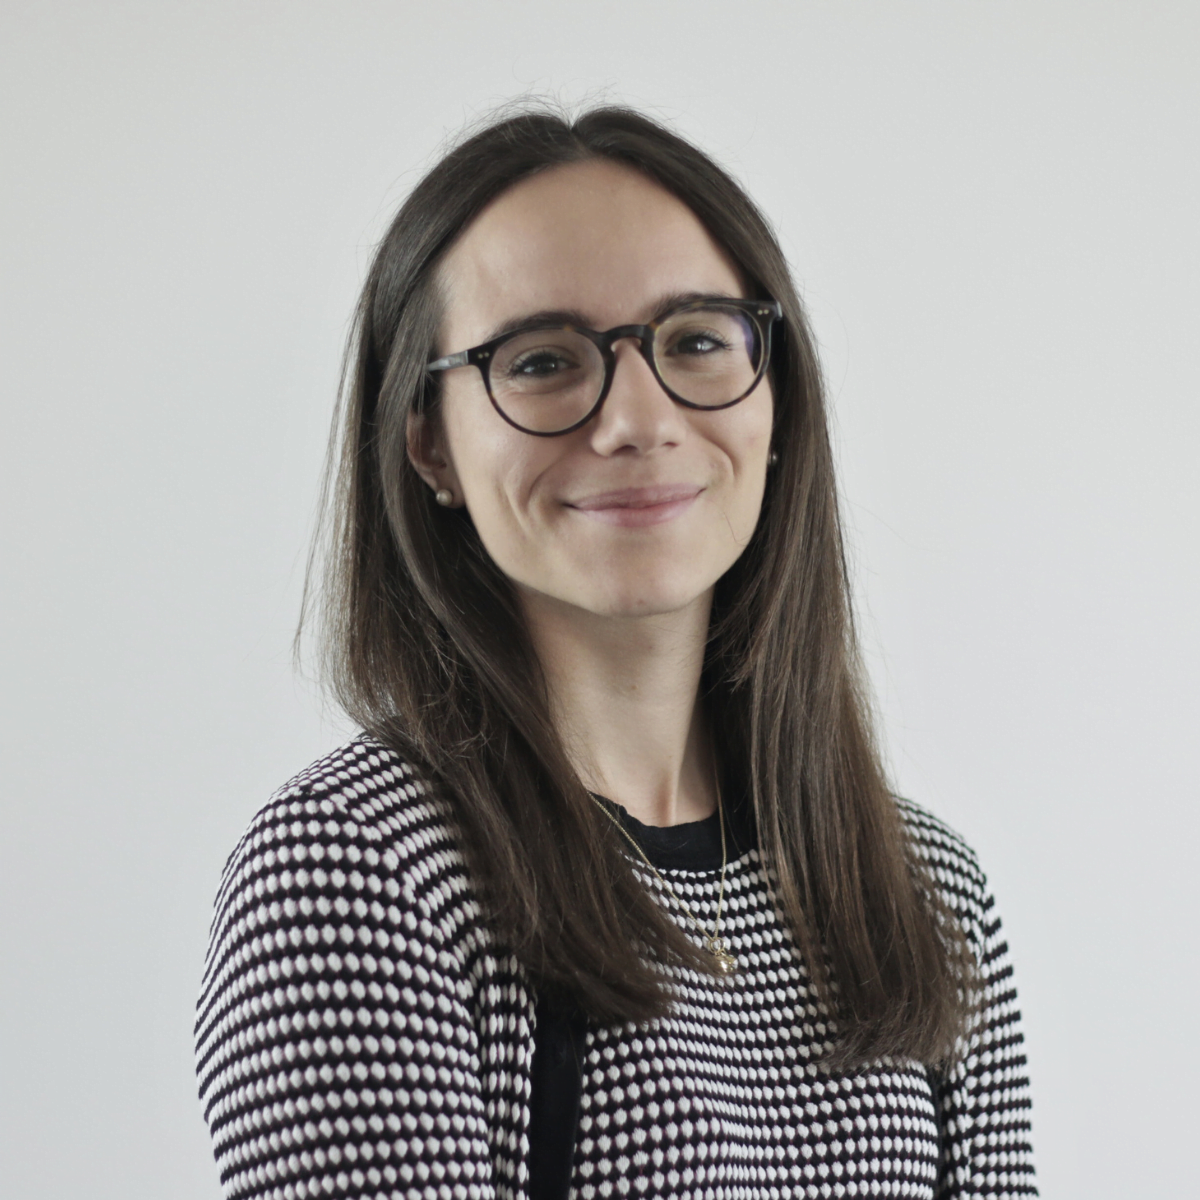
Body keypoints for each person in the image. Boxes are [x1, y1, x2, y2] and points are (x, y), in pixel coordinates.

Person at [195, 105, 1036, 1200]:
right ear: (430, 445)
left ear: (777, 401)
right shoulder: (358, 871)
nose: (638, 419)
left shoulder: (927, 893)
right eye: (543, 360)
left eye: (696, 341)